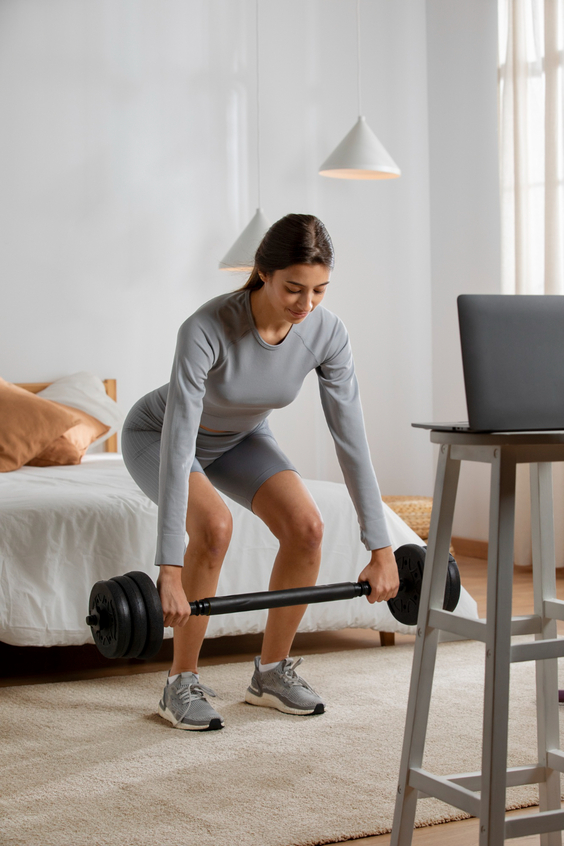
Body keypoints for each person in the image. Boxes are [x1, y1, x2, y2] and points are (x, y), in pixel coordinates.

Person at [121, 213, 399, 731]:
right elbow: (181, 434)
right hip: (159, 435)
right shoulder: (206, 328)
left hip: (241, 438)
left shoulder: (327, 332)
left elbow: (351, 439)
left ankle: (270, 673)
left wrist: (380, 549)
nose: (306, 304)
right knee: (214, 526)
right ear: (263, 273)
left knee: (308, 528)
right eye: (294, 288)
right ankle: (180, 682)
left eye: (319, 290)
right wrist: (169, 568)